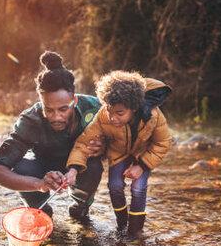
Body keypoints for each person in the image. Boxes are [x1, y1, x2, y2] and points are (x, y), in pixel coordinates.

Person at [0, 51, 171, 220]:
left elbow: (125, 139)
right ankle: (40, 210)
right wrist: (40, 184)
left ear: (74, 100)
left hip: (82, 167)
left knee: (94, 167)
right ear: (40, 101)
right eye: (48, 110)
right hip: (42, 169)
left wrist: (105, 148)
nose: (56, 117)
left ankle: (81, 206)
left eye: (63, 109)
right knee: (18, 166)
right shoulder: (29, 120)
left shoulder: (97, 108)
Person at [64, 71, 172, 236]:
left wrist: (142, 166)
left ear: (134, 108)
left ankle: (135, 232)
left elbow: (163, 143)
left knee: (138, 188)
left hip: (143, 155)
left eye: (119, 113)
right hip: (118, 153)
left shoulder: (154, 116)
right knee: (114, 186)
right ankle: (121, 226)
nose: (113, 117)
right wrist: (73, 169)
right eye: (109, 110)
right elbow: (83, 143)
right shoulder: (103, 116)